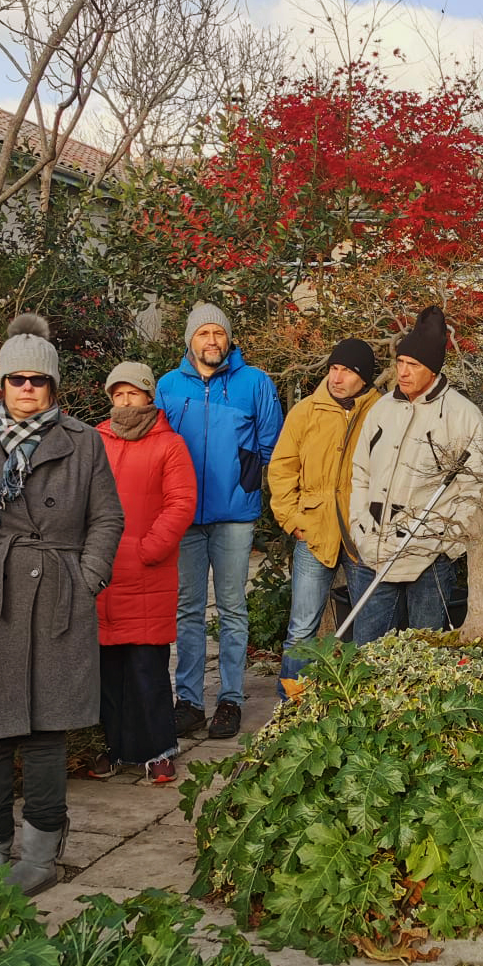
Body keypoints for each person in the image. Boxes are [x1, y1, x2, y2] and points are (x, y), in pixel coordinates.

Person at [0, 314, 123, 895]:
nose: (28, 388)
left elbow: (106, 516)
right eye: (17, 379)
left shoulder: (84, 441)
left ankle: (40, 851)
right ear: (2, 383)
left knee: (45, 729)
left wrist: (88, 576)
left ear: (54, 387)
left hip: (59, 592)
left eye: (39, 380)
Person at [157, 302, 283, 741]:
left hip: (234, 514)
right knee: (187, 610)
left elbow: (272, 444)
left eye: (218, 333)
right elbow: (156, 446)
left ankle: (230, 699)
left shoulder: (255, 383)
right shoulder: (168, 387)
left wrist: (252, 483)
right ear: (189, 340)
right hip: (183, 516)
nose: (212, 341)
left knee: (232, 608)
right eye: (203, 333)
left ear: (229, 338)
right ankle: (189, 700)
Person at [346, 306, 483, 644]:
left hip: (429, 558)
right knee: (368, 650)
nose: (404, 372)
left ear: (433, 369)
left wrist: (445, 545)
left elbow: (476, 488)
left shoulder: (462, 416)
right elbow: (360, 472)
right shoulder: (381, 409)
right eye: (400, 363)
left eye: (414, 365)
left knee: (424, 653)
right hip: (376, 550)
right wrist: (359, 526)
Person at [92, 361, 196, 783]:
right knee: (108, 670)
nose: (125, 401)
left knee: (146, 668)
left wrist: (145, 549)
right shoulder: (95, 439)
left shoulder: (169, 445)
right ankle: (115, 747)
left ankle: (159, 749)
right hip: (101, 572)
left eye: (132, 393)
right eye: (117, 394)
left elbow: (181, 503)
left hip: (146, 574)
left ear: (149, 396)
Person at [270, 338, 383, 691]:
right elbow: (282, 468)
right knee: (303, 625)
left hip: (361, 533)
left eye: (347, 371)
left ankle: (361, 699)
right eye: (334, 368)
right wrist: (292, 520)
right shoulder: (305, 411)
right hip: (314, 531)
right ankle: (292, 700)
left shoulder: (382, 411)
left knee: (370, 624)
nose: (337, 377)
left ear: (363, 378)